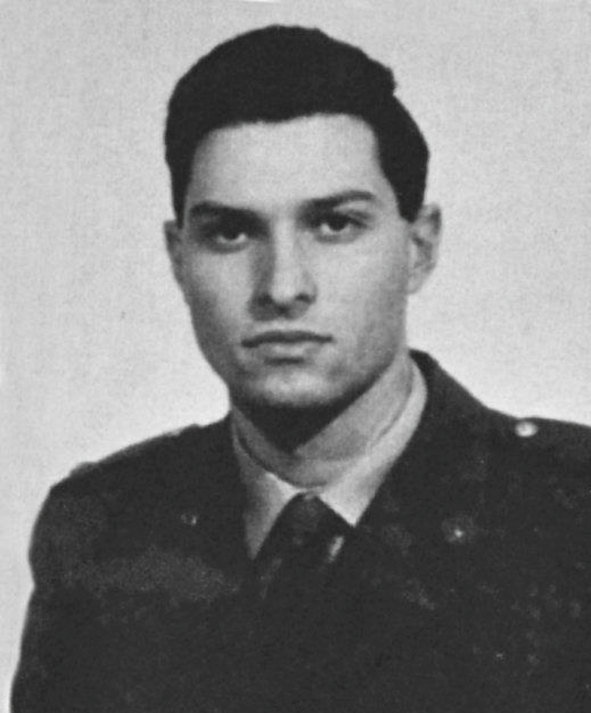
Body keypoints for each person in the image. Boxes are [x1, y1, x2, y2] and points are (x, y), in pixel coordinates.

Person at [12, 24, 591, 713]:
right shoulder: (101, 532)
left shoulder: (569, 516)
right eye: (230, 232)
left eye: (334, 224)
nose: (282, 286)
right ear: (178, 258)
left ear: (419, 247)